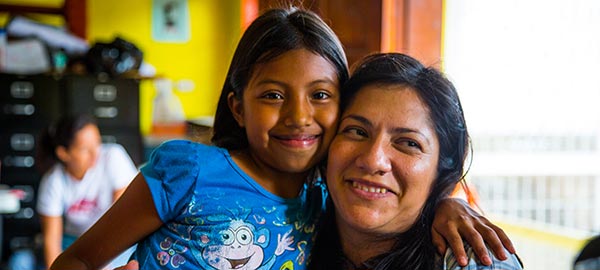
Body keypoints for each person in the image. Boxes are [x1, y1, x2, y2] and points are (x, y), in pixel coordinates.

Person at [51, 8, 513, 270]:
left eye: (321, 95)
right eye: (273, 95)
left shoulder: (325, 193)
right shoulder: (187, 170)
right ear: (237, 105)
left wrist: (448, 199)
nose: (299, 117)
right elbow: (76, 261)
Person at [309, 53, 524, 269]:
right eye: (357, 131)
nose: (374, 160)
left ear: (442, 171)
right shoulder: (295, 229)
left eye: (409, 143)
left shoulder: (472, 260)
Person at [36, 114, 137, 269]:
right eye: (84, 149)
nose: (95, 153)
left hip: (116, 241)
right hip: (76, 242)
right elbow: (52, 241)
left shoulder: (113, 157)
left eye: (97, 143)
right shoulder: (53, 181)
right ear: (63, 153)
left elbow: (121, 221)